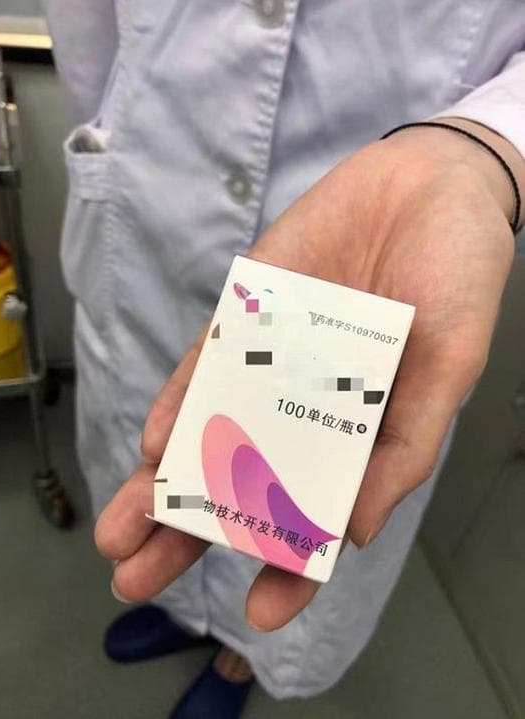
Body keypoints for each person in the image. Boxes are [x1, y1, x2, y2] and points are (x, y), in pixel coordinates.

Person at [45, 1, 525, 717]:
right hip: (153, 195)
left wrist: (486, 146)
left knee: (297, 517)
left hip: (378, 254)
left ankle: (241, 658)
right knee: (159, 478)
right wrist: (106, 130)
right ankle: (185, 614)